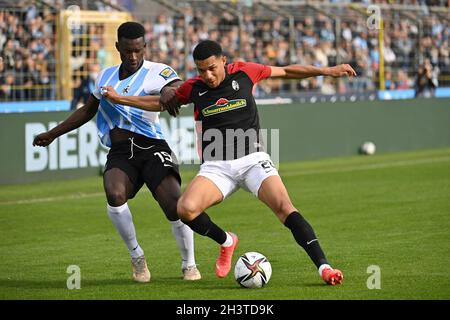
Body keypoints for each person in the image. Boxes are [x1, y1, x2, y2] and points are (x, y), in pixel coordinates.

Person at [107, 40, 356, 285]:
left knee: (284, 207)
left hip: (253, 160)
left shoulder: (246, 71)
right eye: (201, 69)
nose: (207, 75)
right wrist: (121, 99)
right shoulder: (193, 88)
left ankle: (324, 267)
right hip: (217, 167)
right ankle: (227, 241)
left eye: (212, 68)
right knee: (185, 209)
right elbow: (161, 103)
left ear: (223, 61)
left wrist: (327, 71)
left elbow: (287, 70)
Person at [32, 22, 201, 283]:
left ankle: (189, 264)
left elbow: (177, 84)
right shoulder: (105, 77)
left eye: (138, 50)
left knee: (174, 206)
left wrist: (169, 89)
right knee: (114, 193)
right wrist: (53, 133)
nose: (133, 57)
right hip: (121, 151)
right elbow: (88, 111)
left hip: (152, 146)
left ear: (145, 47)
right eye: (127, 51)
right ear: (117, 48)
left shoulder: (158, 71)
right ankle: (137, 257)